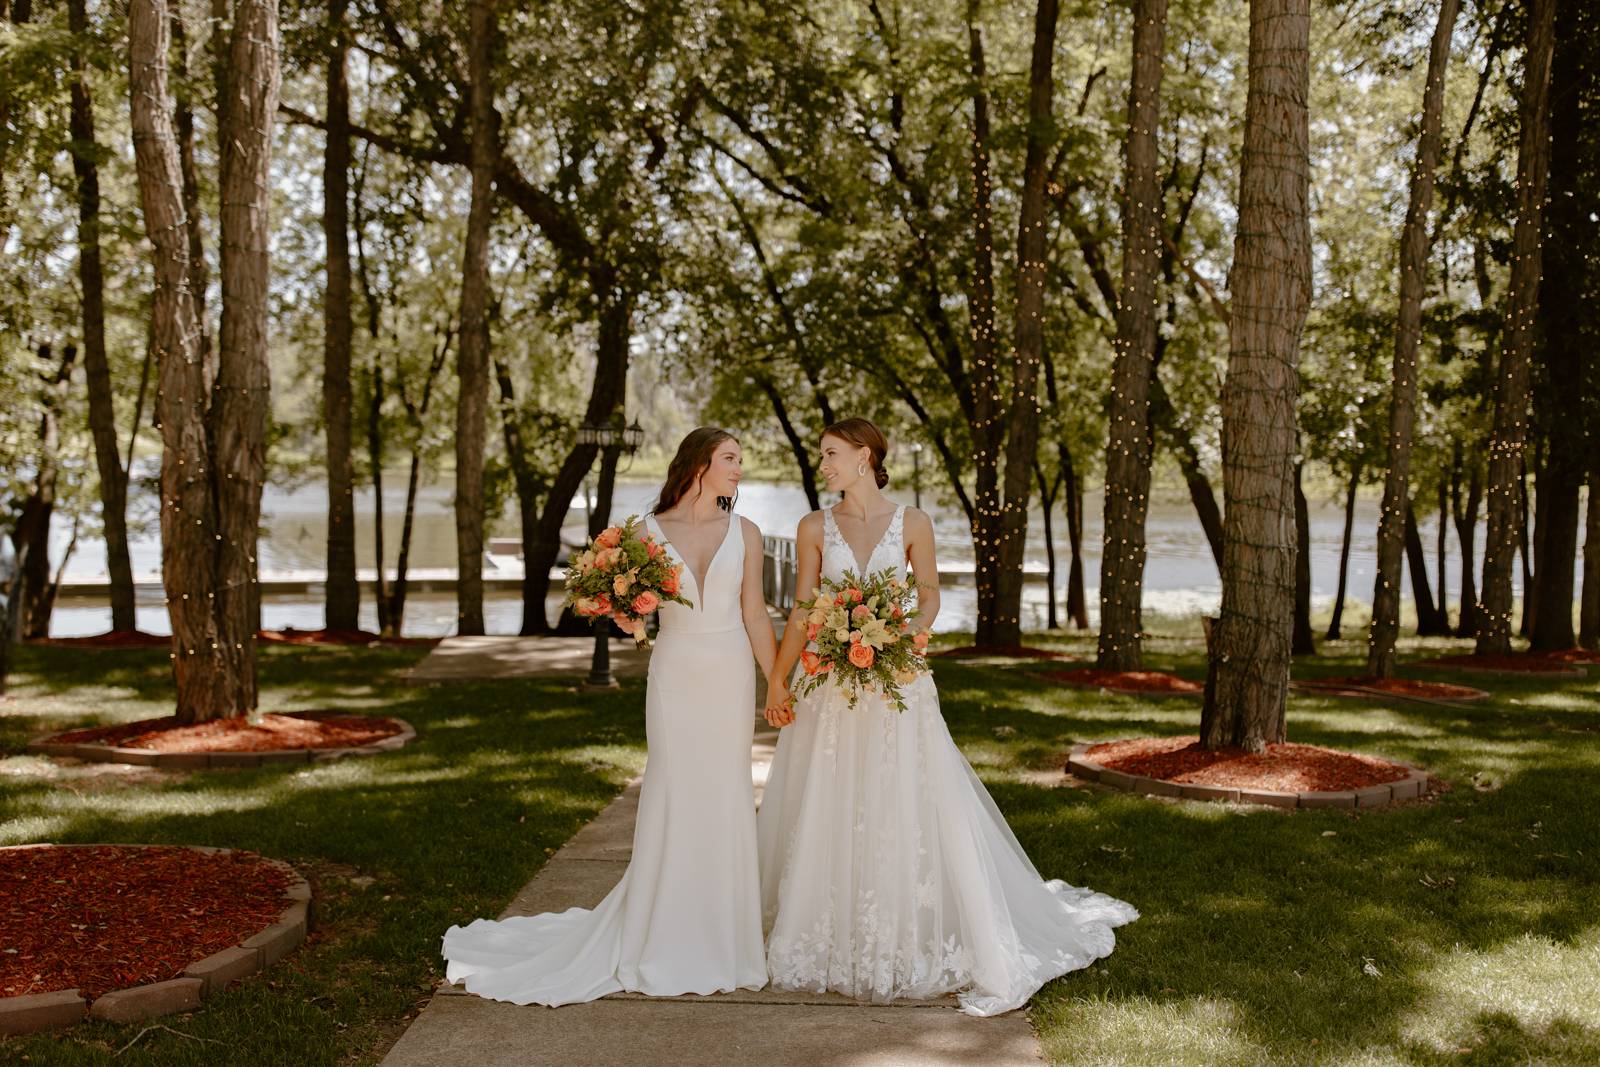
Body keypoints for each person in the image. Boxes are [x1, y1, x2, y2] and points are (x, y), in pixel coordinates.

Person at [758, 417, 1138, 1016]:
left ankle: (902, 930)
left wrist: (909, 628)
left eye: (831, 454)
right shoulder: (813, 527)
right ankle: (826, 931)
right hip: (829, 687)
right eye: (822, 455)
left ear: (864, 456)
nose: (823, 464)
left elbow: (930, 592)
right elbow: (805, 608)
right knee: (828, 797)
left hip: (896, 684)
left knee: (899, 797)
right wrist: (779, 679)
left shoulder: (913, 523)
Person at [442, 427, 775, 1004]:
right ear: (699, 463)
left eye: (740, 460)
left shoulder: (746, 532)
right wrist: (626, 615)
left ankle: (724, 934)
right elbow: (626, 609)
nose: (738, 469)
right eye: (730, 458)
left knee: (726, 792)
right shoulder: (645, 533)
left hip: (730, 671)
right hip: (676, 671)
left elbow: (755, 613)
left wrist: (779, 681)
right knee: (673, 788)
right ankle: (661, 928)